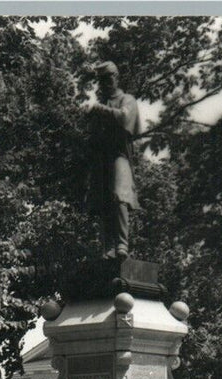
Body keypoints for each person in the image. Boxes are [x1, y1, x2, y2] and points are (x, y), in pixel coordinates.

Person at [85, 61, 142, 258]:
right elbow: (91, 137)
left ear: (116, 77)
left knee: (120, 195)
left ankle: (122, 244)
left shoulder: (127, 100)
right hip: (102, 158)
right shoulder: (101, 106)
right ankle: (108, 246)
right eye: (102, 80)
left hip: (120, 156)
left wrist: (99, 110)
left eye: (109, 78)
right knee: (102, 202)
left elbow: (125, 119)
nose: (106, 83)